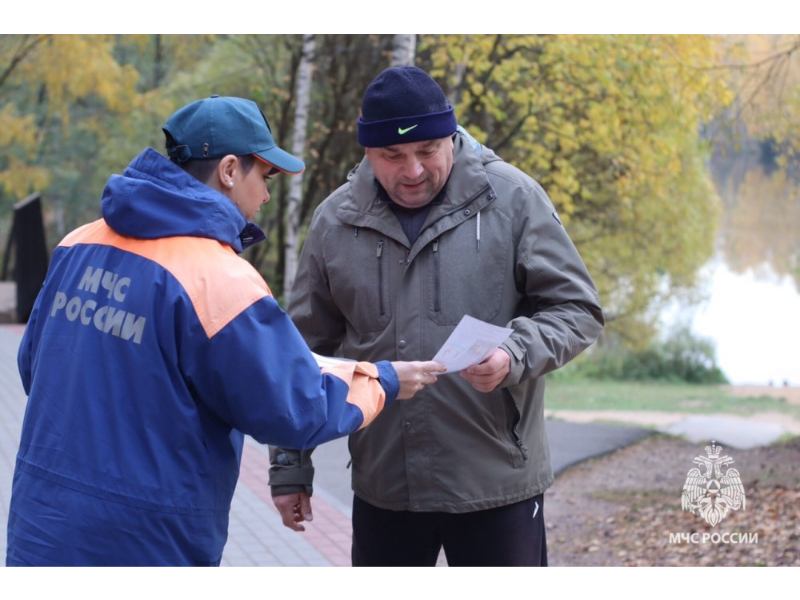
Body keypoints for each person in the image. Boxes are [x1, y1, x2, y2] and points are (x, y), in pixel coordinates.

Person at [7, 95, 444, 567]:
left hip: (42, 525)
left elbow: (34, 366)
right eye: (266, 176)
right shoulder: (217, 278)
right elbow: (295, 409)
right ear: (231, 170)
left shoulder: (78, 243)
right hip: (148, 540)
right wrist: (385, 380)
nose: (268, 195)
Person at [268, 67, 605, 567]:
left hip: (496, 484)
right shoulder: (335, 221)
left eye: (428, 150)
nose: (413, 171)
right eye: (392, 156)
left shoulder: (513, 199)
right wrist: (290, 468)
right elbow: (300, 356)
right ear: (366, 151)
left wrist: (514, 352)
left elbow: (577, 309)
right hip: (385, 488)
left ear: (452, 136)